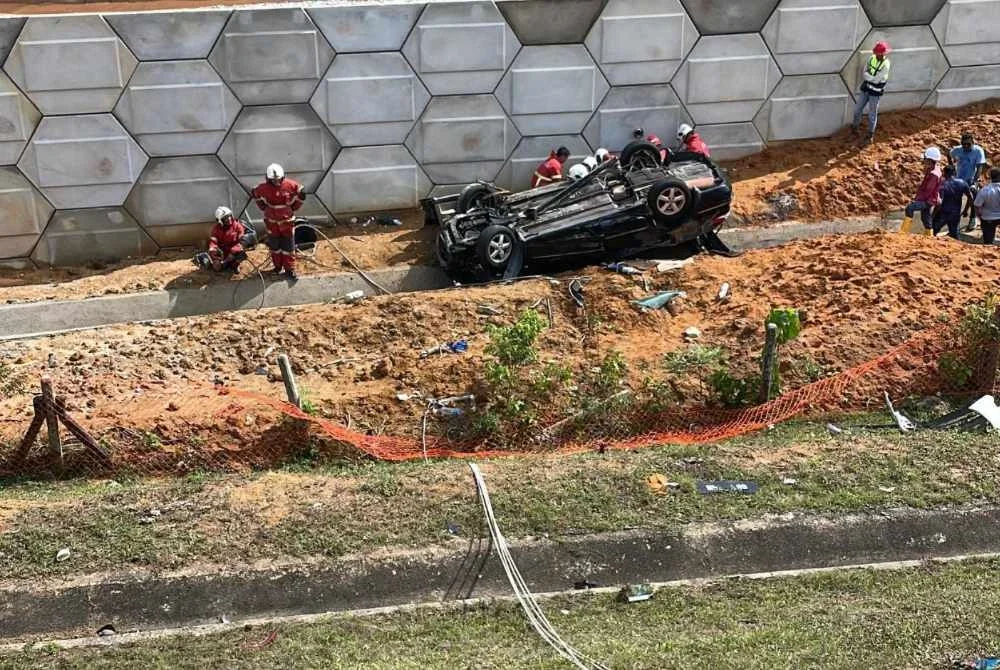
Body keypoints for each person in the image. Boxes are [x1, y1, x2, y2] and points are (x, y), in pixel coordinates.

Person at [252, 163, 304, 281]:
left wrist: (295, 207)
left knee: (288, 247)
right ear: (268, 179)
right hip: (272, 222)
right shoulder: (263, 188)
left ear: (282, 176)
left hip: (287, 222)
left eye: (278, 179)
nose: (276, 182)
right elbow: (255, 193)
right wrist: (262, 206)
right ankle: (277, 267)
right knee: (275, 246)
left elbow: (301, 192)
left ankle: (289, 269)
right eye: (273, 180)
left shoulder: (290, 185)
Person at [851, 41, 891, 145]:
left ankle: (870, 135)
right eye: (876, 52)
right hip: (866, 89)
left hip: (875, 93)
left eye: (879, 53)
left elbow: (877, 80)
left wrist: (870, 78)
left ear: (883, 53)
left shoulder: (886, 64)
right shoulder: (871, 58)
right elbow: (864, 73)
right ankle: (854, 128)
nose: (877, 54)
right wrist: (870, 78)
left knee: (872, 114)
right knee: (857, 110)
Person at [949, 132, 987, 231]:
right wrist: (952, 167)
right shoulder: (958, 150)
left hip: (971, 178)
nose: (966, 146)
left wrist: (974, 181)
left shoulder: (978, 151)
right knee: (956, 199)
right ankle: (955, 221)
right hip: (959, 178)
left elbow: (979, 168)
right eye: (964, 144)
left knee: (974, 198)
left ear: (973, 143)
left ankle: (972, 219)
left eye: (968, 144)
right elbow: (949, 153)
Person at [193, 206, 248, 273]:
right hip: (222, 253)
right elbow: (213, 243)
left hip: (234, 251)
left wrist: (233, 251)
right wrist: (214, 255)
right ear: (220, 220)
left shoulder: (237, 225)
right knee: (217, 268)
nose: (229, 219)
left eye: (229, 216)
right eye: (225, 218)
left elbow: (242, 239)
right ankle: (204, 257)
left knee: (242, 255)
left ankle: (235, 265)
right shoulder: (216, 229)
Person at [901, 147, 942, 235]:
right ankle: (929, 235)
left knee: (910, 208)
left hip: (928, 200)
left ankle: (903, 232)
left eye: (925, 159)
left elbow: (928, 191)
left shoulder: (934, 174)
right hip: (930, 199)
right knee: (925, 217)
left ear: (930, 160)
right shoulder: (932, 169)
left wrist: (918, 200)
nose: (924, 161)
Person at [933, 165, 971, 240]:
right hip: (955, 214)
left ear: (944, 173)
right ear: (954, 172)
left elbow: (940, 202)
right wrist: (965, 210)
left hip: (943, 213)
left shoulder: (943, 184)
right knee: (954, 235)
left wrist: (933, 214)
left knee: (933, 231)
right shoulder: (962, 183)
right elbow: (970, 198)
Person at [974, 167, 1000, 245]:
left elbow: (977, 205)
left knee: (988, 242)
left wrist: (979, 216)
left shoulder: (985, 190)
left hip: (988, 218)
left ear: (990, 177)